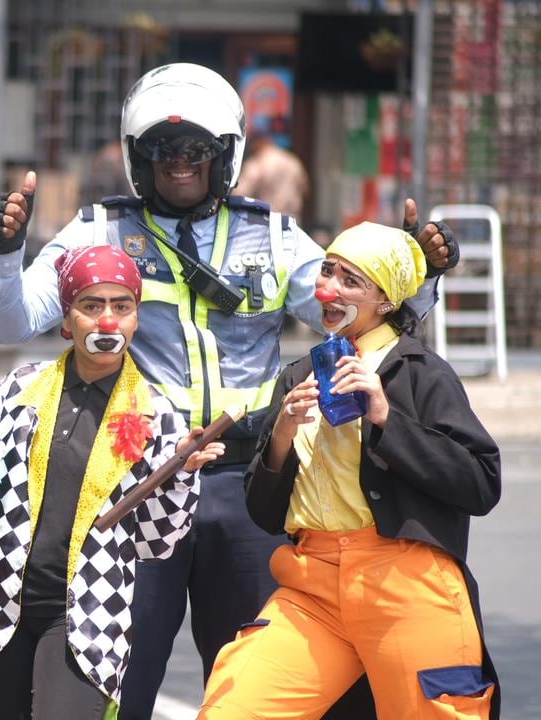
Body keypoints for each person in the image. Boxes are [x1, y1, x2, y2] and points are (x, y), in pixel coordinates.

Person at [0, 62, 460, 719]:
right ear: (135, 158)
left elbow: (361, 309)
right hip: (138, 479)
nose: (179, 164)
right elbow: (11, 323)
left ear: (226, 155)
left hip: (249, 484)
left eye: (196, 151)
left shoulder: (274, 234)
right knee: (116, 674)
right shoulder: (96, 228)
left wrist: (419, 272)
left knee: (258, 681)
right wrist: (6, 252)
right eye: (161, 151)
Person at [198, 221, 501, 719]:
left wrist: (384, 415)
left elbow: (480, 482)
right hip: (311, 584)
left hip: (408, 582)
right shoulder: (299, 375)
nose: (327, 290)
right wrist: (280, 436)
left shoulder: (420, 371)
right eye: (327, 272)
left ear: (385, 300)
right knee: (234, 707)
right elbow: (264, 511)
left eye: (349, 280)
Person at [0, 244, 222, 718]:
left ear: (136, 319)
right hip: (0, 605)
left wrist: (178, 476)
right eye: (91, 306)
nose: (107, 320)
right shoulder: (18, 389)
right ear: (66, 322)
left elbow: (157, 544)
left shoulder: (159, 416)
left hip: (86, 612)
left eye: (121, 306)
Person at [232, 134, 310, 218]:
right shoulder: (292, 160)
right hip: (293, 219)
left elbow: (239, 193)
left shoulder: (258, 162)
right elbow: (305, 190)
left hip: (270, 220)